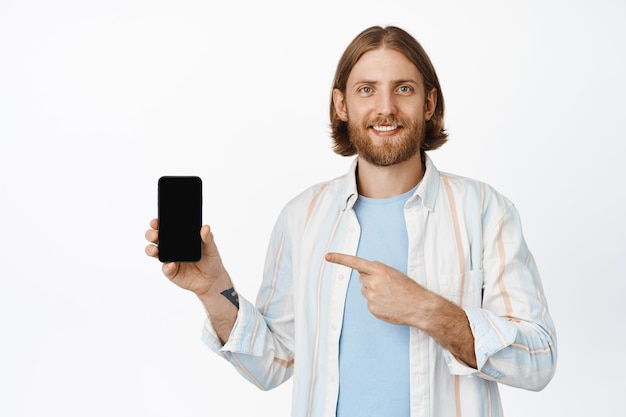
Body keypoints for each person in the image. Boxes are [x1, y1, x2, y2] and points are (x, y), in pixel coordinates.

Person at [145, 25, 557, 417]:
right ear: (342, 104)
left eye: (404, 89)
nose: (385, 108)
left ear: (429, 103)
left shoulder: (484, 210)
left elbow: (539, 360)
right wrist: (213, 288)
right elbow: (272, 363)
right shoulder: (301, 217)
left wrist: (426, 310)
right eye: (366, 90)